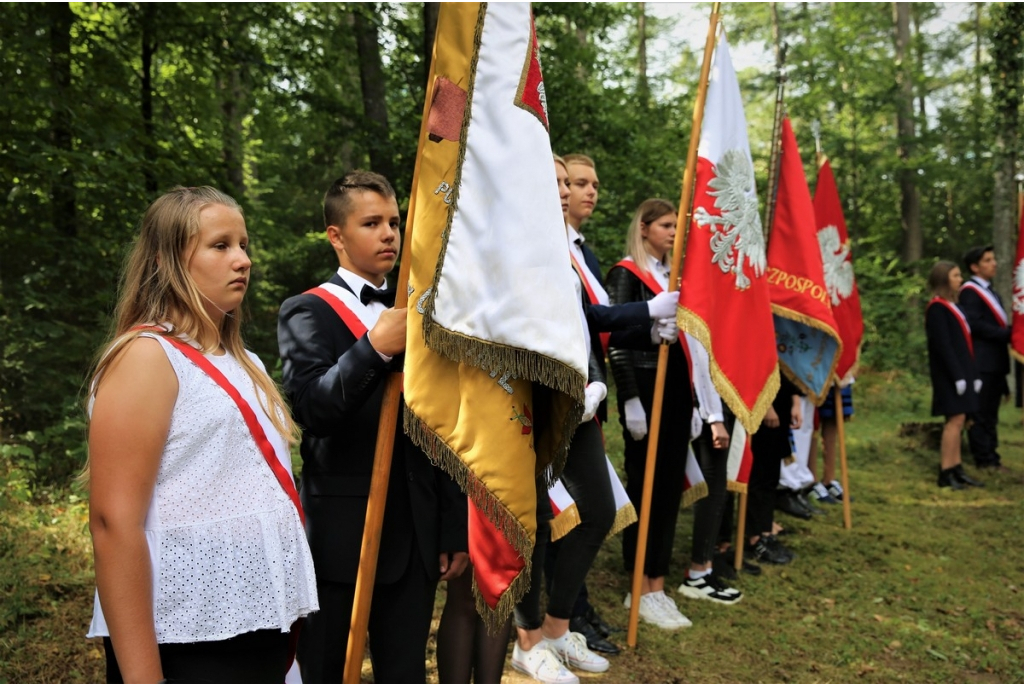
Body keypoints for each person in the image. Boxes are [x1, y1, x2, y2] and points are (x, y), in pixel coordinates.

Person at [86, 186, 319, 683]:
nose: (243, 260)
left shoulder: (246, 362)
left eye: (243, 244)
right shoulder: (147, 358)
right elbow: (112, 524)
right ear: (170, 260)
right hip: (186, 636)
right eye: (220, 245)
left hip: (258, 626)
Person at [277, 171, 467, 683]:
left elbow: (442, 426)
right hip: (342, 538)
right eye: (371, 223)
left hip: (416, 535)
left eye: (393, 222)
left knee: (403, 673)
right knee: (329, 670)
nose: (389, 233)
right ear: (336, 235)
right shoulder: (307, 312)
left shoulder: (422, 311)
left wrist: (451, 526)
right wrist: (374, 347)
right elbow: (313, 410)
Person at [925, 260, 984, 489]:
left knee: (961, 421)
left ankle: (957, 467)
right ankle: (946, 470)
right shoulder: (937, 308)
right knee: (954, 420)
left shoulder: (955, 306)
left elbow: (964, 344)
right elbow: (944, 346)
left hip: (963, 371)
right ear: (944, 280)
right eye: (956, 275)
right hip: (948, 374)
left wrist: (973, 373)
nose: (961, 279)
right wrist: (957, 375)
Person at [959, 246, 1011, 472]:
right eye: (988, 260)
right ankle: (983, 458)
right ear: (975, 267)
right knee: (980, 412)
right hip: (982, 361)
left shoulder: (992, 291)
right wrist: (1008, 334)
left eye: (993, 259)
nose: (994, 263)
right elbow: (975, 325)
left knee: (991, 412)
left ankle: (992, 455)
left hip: (996, 360)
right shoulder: (970, 292)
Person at [745, 377, 803, 565]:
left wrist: (795, 400)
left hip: (781, 401)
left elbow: (780, 369)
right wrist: (767, 406)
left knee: (771, 475)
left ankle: (766, 531)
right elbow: (756, 367)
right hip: (763, 405)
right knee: (758, 474)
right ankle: (755, 536)